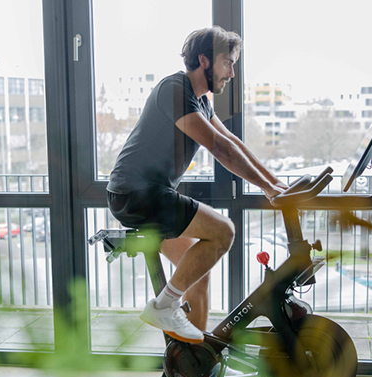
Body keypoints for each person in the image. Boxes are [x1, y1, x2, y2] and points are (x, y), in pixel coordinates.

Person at [107, 26, 286, 343]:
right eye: (227, 63)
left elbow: (232, 141)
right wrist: (268, 189)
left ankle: (194, 361)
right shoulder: (175, 90)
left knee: (197, 275)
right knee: (224, 231)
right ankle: (163, 306)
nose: (231, 73)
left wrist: (275, 184)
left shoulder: (201, 101)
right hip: (137, 195)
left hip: (147, 195)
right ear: (204, 60)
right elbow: (218, 148)